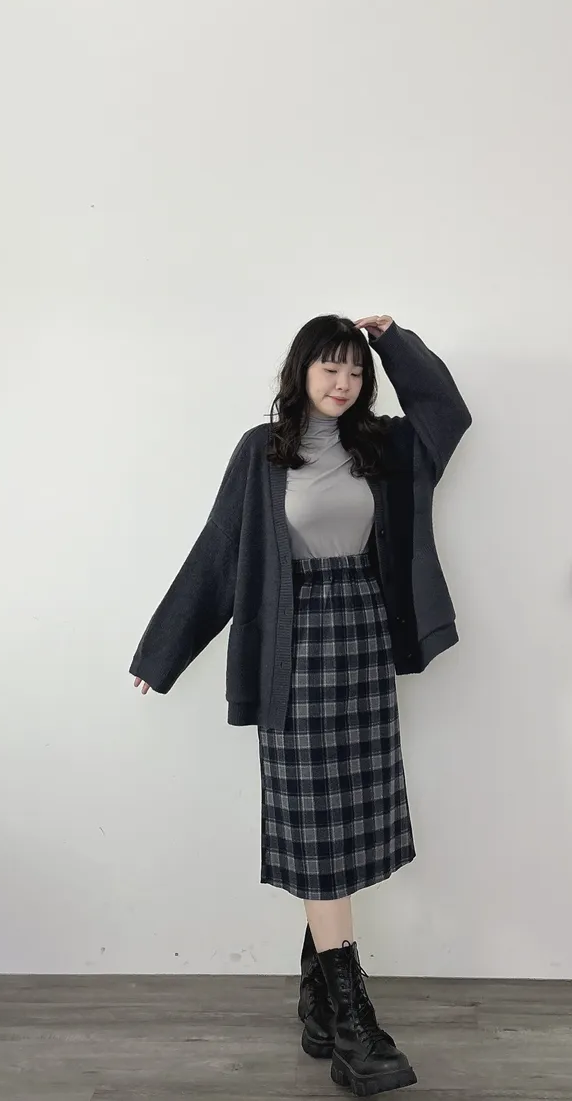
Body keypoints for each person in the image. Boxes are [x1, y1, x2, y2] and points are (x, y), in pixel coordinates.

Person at [129, 313, 472, 1097]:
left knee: (349, 822)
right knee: (318, 829)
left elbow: (447, 413)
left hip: (363, 642)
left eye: (354, 369)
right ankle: (351, 1018)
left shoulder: (382, 446)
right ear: (301, 371)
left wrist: (394, 341)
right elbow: (220, 551)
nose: (343, 381)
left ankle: (320, 999)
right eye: (330, 366)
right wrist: (162, 652)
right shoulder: (262, 452)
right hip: (293, 651)